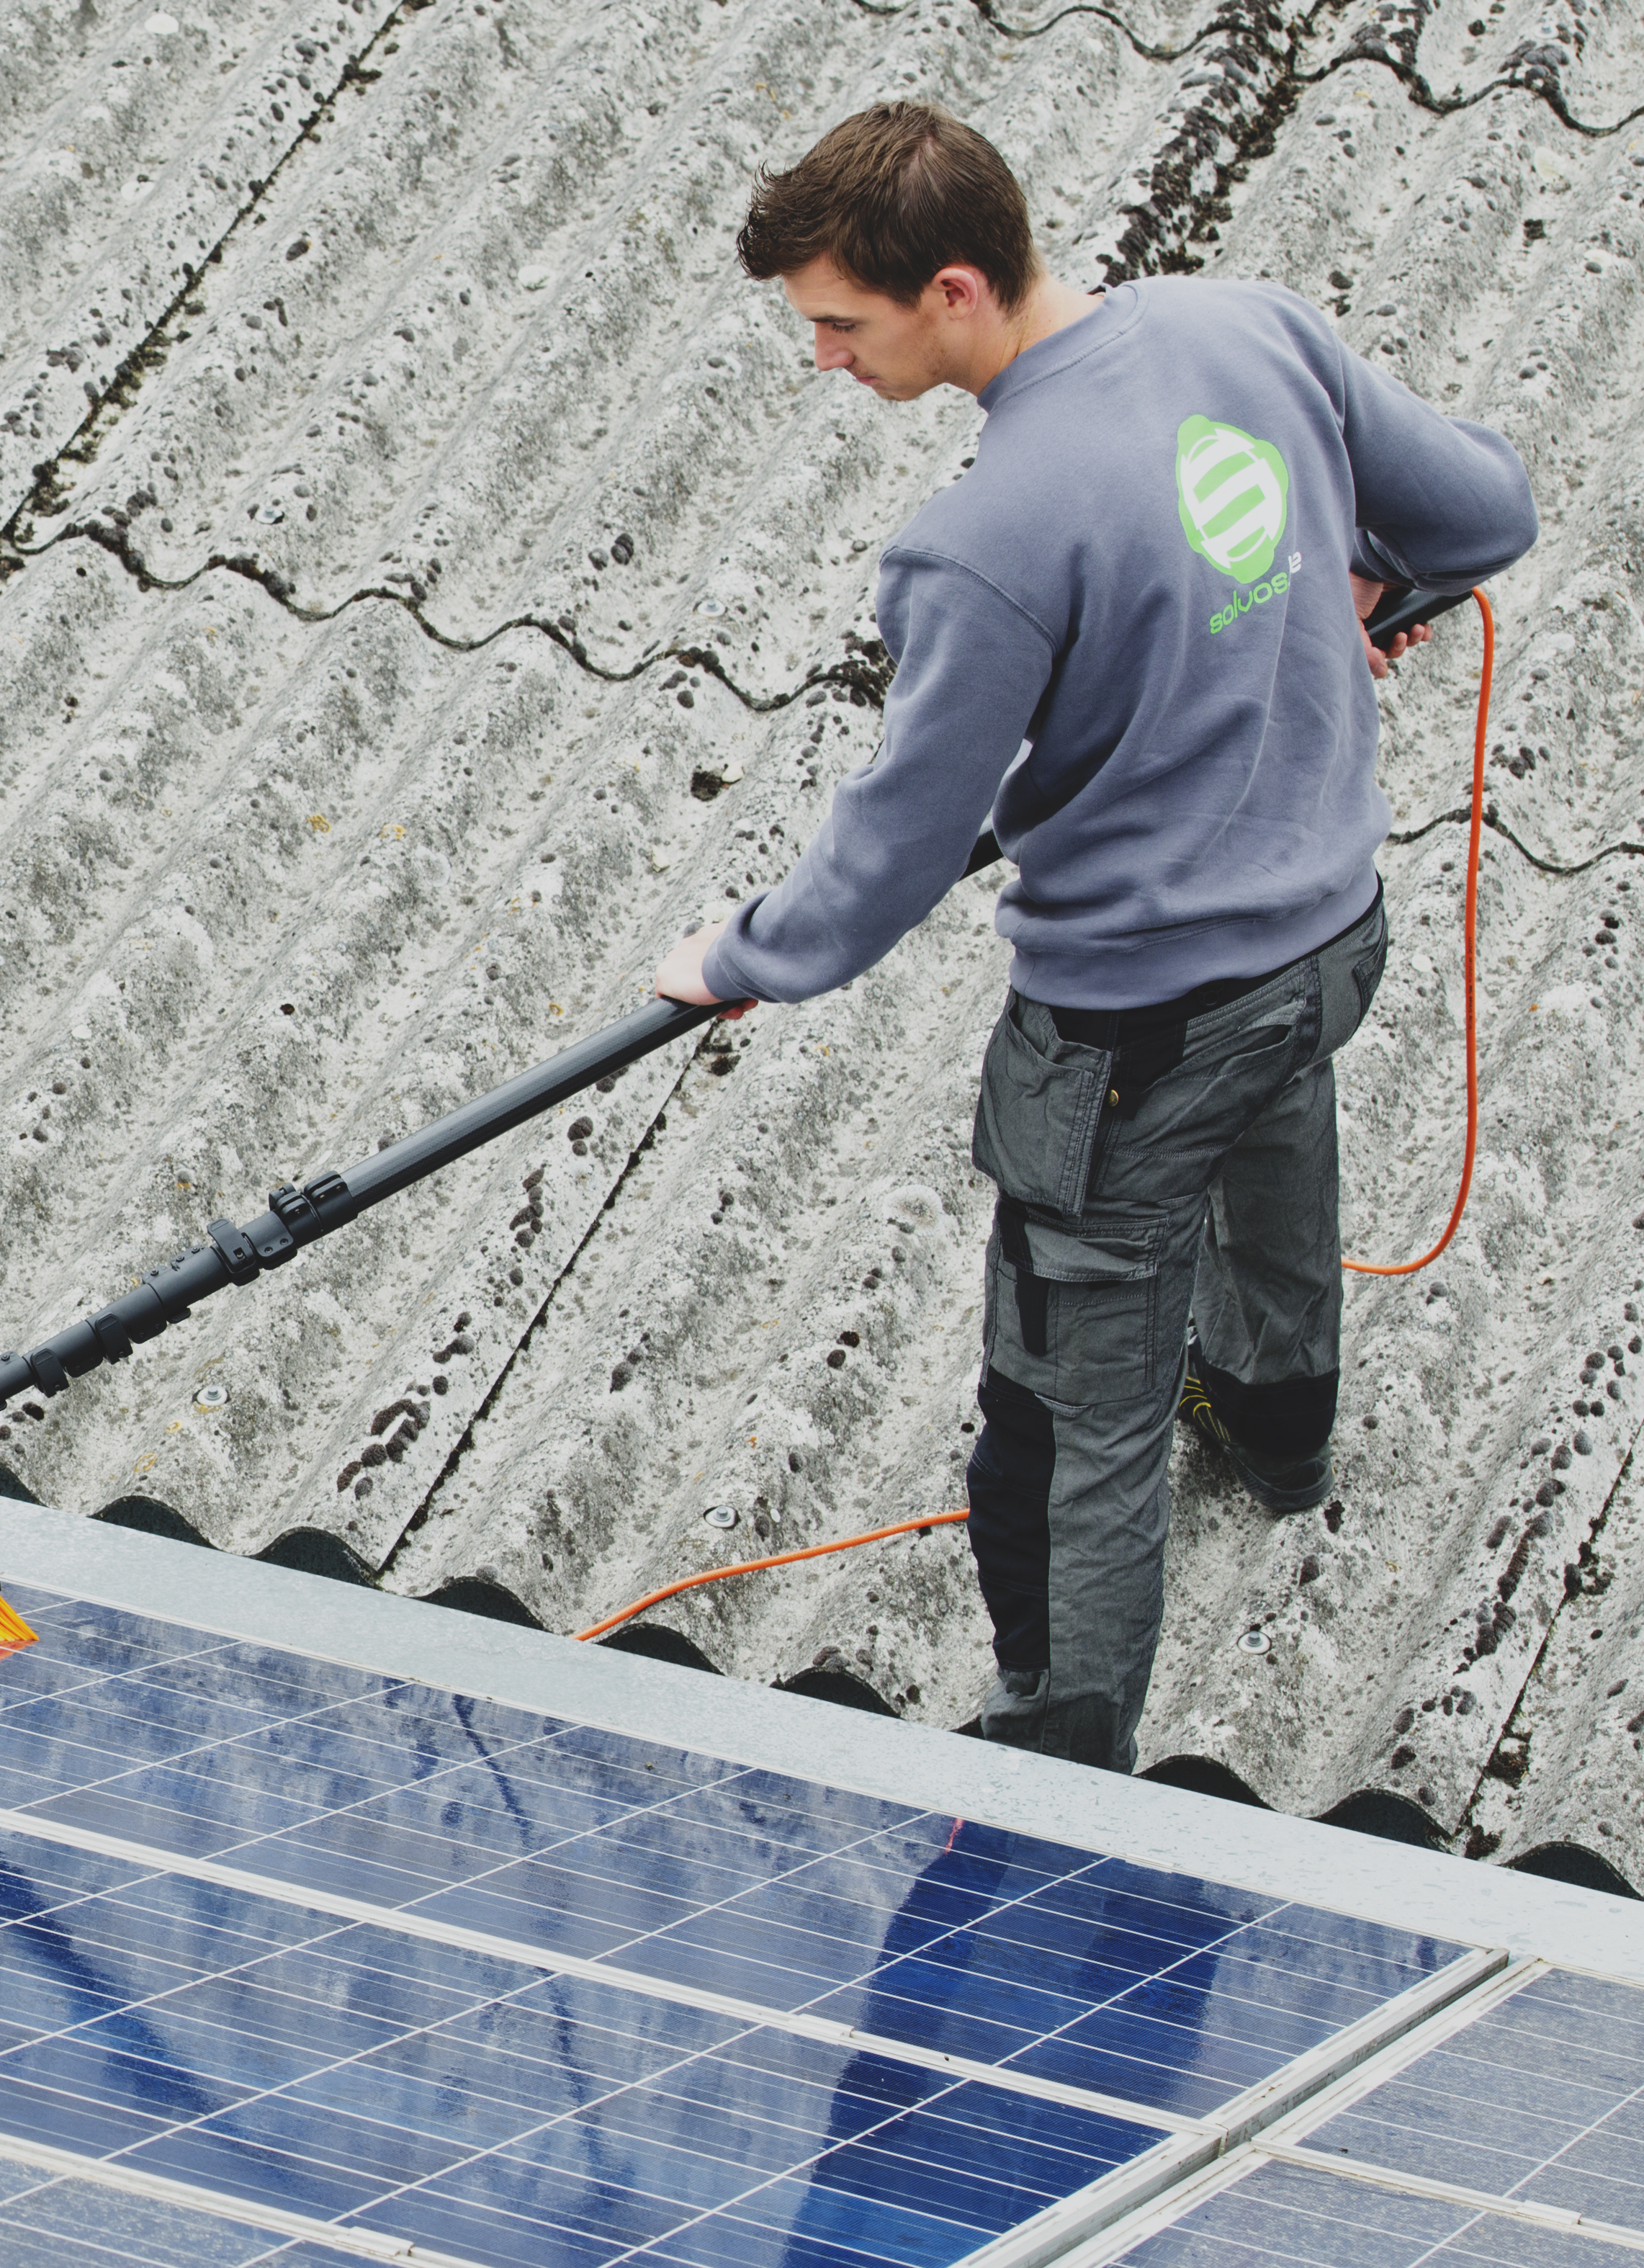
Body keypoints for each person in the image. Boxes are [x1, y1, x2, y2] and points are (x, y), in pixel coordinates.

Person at [651, 103, 1537, 1770]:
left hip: (1132, 1041)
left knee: (1069, 1422)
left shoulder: (983, 543)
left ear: (959, 290)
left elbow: (894, 851)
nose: (824, 362)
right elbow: (1484, 510)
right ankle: (1280, 1431)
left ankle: (1065, 1768)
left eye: (841, 326)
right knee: (1280, 1139)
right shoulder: (1246, 327)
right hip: (1330, 939)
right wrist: (1367, 591)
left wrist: (741, 952)